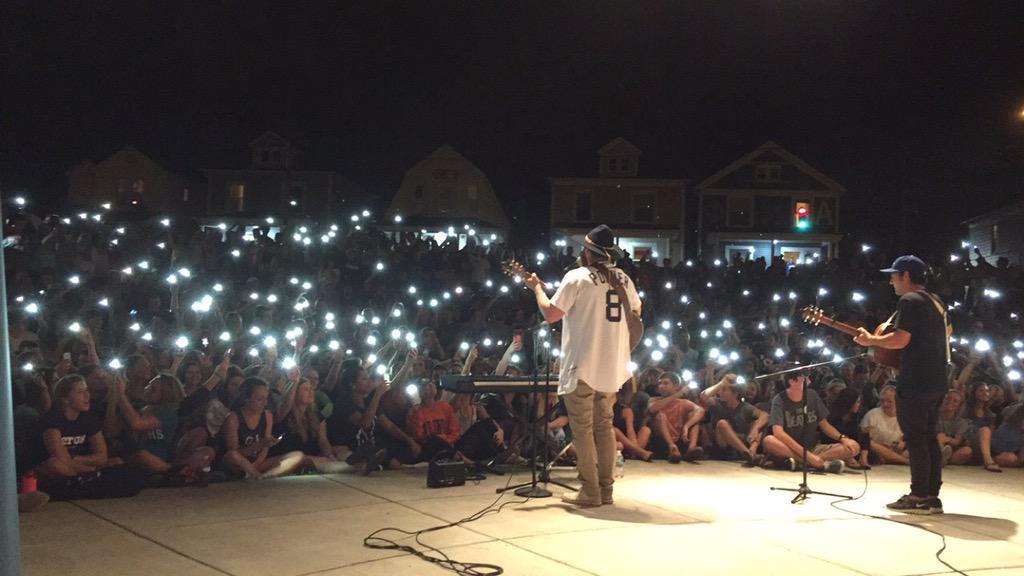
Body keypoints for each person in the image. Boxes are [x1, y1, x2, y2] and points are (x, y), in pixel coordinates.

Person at [524, 224, 642, 506]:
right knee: (604, 426)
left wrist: (538, 289)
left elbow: (551, 314)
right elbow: (637, 313)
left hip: (583, 365)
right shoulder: (623, 278)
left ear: (588, 252)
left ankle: (590, 491)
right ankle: (606, 489)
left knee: (583, 430)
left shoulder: (576, 277)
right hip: (612, 366)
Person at [854, 255, 950, 514]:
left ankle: (918, 495)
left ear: (906, 276)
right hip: (938, 378)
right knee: (930, 437)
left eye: (895, 275)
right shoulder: (936, 301)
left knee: (916, 438)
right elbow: (947, 333)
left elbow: (900, 340)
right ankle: (932, 495)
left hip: (916, 379)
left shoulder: (909, 300)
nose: (891, 281)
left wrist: (872, 341)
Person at [761, 369, 857, 473]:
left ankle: (805, 463)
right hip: (790, 447)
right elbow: (778, 432)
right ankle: (819, 463)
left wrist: (842, 438)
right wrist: (808, 456)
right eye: (804, 377)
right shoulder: (779, 399)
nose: (809, 380)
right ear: (792, 381)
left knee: (853, 446)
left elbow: (824, 424)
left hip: (813, 446)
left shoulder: (812, 395)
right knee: (769, 441)